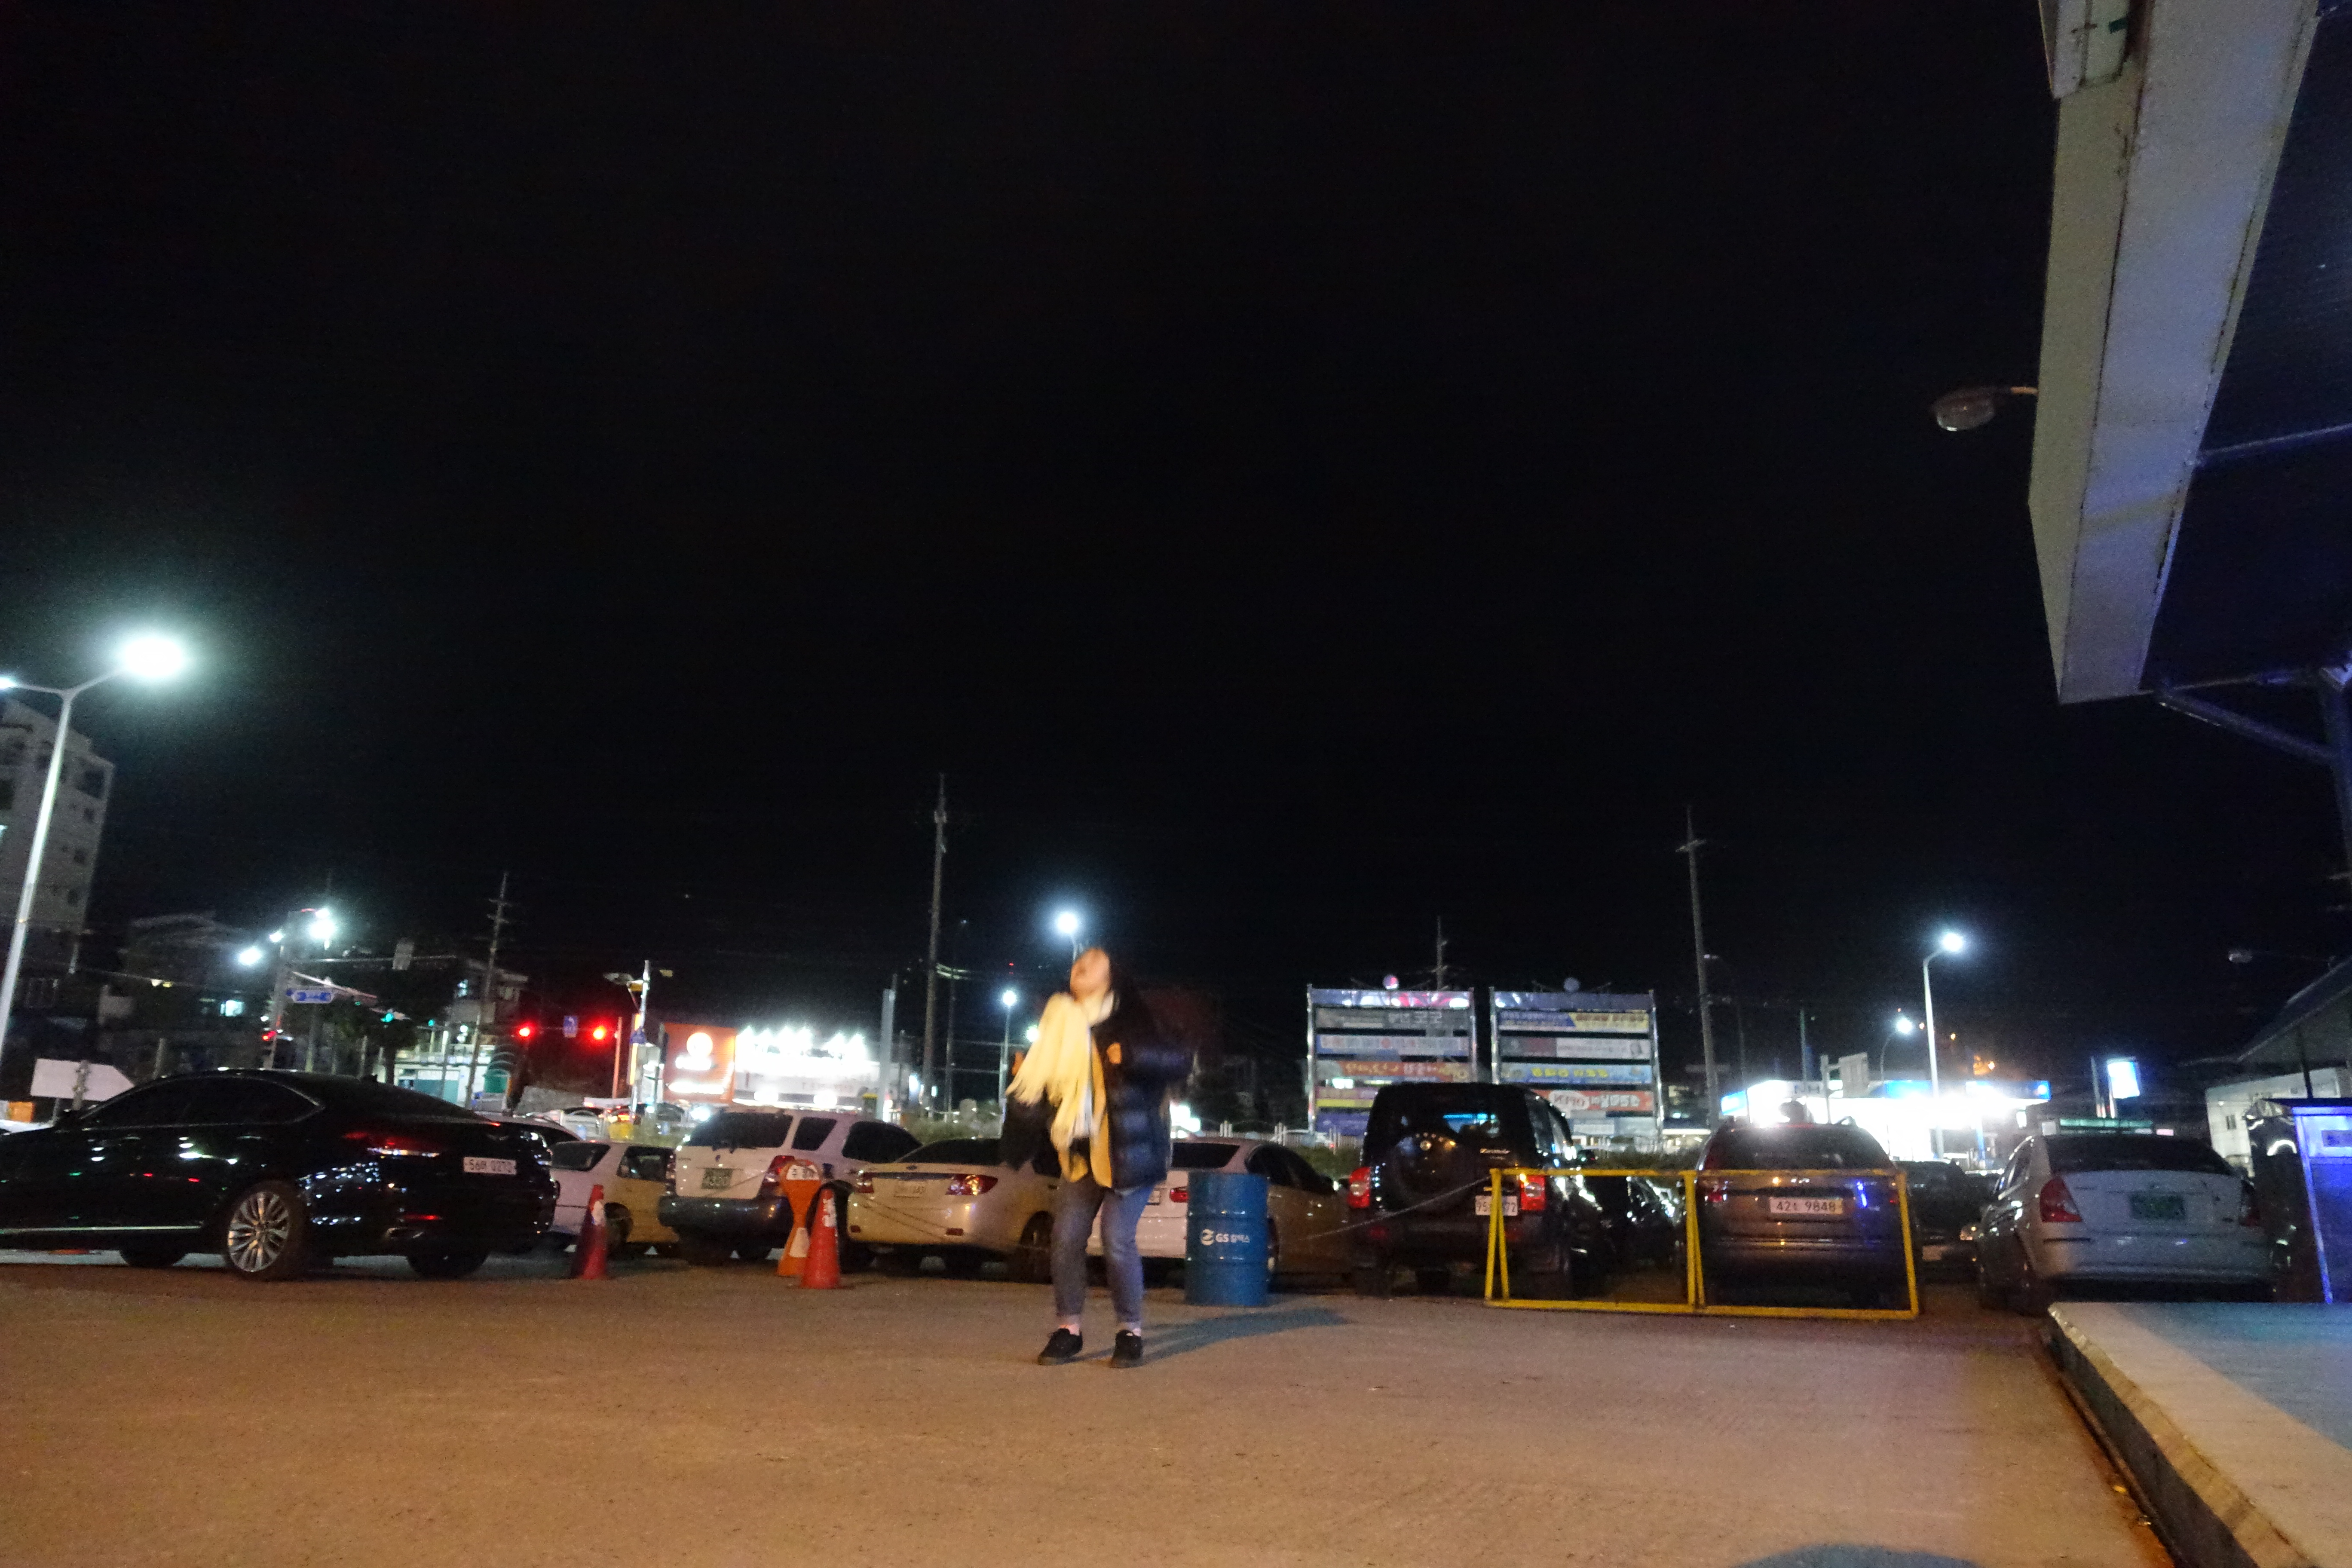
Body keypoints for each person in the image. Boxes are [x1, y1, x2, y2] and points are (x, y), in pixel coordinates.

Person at [1001, 946, 1191, 1368]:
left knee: (1116, 1240)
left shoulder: (1134, 1019)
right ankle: (1068, 1329)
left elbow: (1180, 1059)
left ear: (1111, 976)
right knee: (1065, 1239)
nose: (1081, 966)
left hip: (1130, 1151)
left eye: (1092, 962)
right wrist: (1022, 1088)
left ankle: (1130, 1332)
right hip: (1080, 1154)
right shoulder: (1057, 1025)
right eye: (1077, 963)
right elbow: (1042, 1100)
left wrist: (1134, 1055)